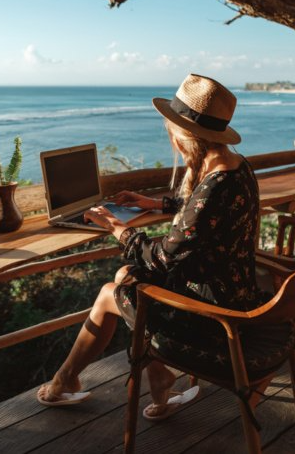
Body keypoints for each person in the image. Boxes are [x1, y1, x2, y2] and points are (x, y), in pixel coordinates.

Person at [37, 73, 295, 419]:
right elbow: (206, 216)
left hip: (218, 321)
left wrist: (117, 227)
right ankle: (154, 382)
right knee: (126, 275)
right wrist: (156, 204)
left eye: (171, 129)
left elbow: (164, 257)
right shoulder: (236, 167)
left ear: (184, 135)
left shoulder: (214, 186)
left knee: (109, 292)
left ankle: (66, 381)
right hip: (238, 295)